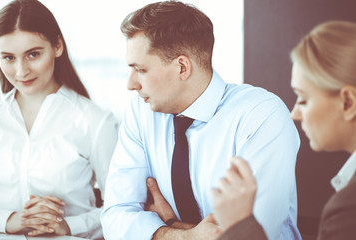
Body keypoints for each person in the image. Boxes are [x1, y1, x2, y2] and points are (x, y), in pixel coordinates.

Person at [101, 1, 301, 239]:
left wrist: (167, 223)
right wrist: (188, 235)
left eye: (141, 70)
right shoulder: (141, 111)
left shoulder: (260, 116)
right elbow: (115, 218)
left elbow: (250, 235)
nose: (130, 84)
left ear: (182, 67)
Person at [0, 0, 118, 238]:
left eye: (33, 54)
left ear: (58, 47)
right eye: (9, 58)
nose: (21, 71)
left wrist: (68, 226)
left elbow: (122, 206)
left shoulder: (95, 120)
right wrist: (8, 220)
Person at [212, 20, 356, 240]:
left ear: (347, 103)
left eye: (304, 99)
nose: (294, 114)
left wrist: (240, 226)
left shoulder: (348, 211)